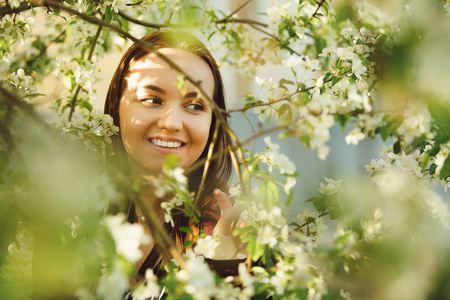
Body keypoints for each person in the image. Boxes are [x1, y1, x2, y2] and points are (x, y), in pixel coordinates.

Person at [104, 30, 245, 281]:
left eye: (195, 106)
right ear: (115, 107)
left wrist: (227, 267)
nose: (172, 123)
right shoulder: (75, 211)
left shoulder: (234, 223)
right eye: (152, 99)